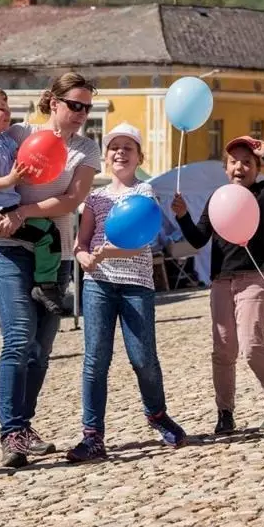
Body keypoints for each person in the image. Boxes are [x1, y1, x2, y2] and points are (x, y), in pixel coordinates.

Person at [0, 72, 99, 469]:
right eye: (75, 105)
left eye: (87, 107)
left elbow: (72, 199)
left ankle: (22, 428)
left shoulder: (86, 149)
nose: (81, 113)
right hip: (10, 250)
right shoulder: (16, 134)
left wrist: (24, 210)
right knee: (17, 338)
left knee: (40, 349)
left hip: (57, 253)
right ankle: (11, 431)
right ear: (55, 101)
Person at [67, 124, 187, 462]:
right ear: (105, 158)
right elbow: (81, 243)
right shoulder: (95, 197)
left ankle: (157, 414)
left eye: (128, 148)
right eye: (114, 147)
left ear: (139, 157)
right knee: (95, 360)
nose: (120, 152)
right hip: (99, 286)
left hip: (137, 286)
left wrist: (108, 253)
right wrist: (85, 257)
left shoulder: (145, 192)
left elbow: (141, 242)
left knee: (143, 358)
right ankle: (92, 435)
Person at [172, 136, 264, 435]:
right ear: (225, 167)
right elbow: (197, 239)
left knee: (252, 346)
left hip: (254, 278)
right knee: (223, 350)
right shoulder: (217, 198)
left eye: (247, 162)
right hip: (221, 281)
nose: (239, 167)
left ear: (256, 168)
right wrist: (182, 217)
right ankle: (225, 413)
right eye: (233, 162)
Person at [0, 84, 63, 313]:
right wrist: (12, 178)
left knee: (0, 237)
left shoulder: (2, 139)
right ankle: (45, 285)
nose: (8, 113)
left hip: (2, 206)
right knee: (48, 234)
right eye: (2, 109)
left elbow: (24, 156)